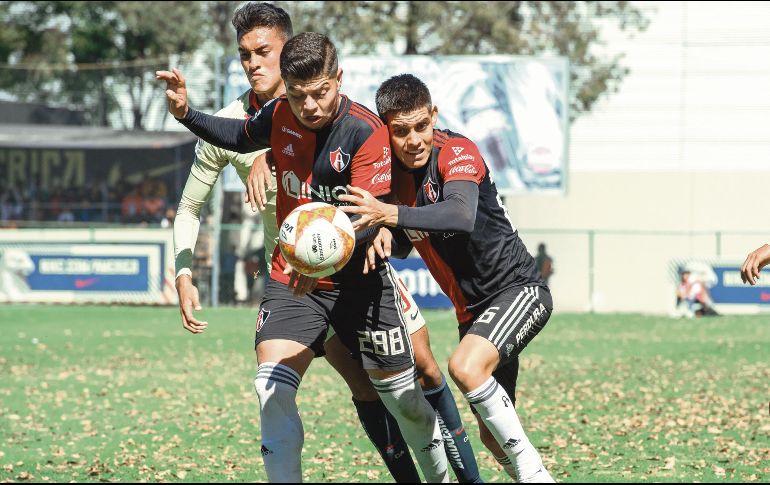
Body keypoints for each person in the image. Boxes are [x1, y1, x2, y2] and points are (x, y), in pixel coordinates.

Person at [159, 32, 452, 483]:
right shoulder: (278, 114)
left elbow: (369, 214)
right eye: (298, 96)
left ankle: (437, 478)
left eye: (320, 93)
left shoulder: (365, 130)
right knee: (270, 387)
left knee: (406, 403)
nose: (310, 106)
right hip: (292, 279)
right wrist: (186, 113)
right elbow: (238, 136)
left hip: (361, 284)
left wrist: (335, 254)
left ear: (338, 79)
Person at [338, 74, 556, 483]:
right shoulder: (391, 181)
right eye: (400, 131)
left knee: (464, 367)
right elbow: (407, 238)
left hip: (518, 291)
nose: (415, 140)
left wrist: (390, 215)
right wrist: (386, 234)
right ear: (386, 131)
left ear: (433, 116)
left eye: (421, 125)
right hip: (471, 313)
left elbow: (459, 215)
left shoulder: (456, 151)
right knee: (493, 438)